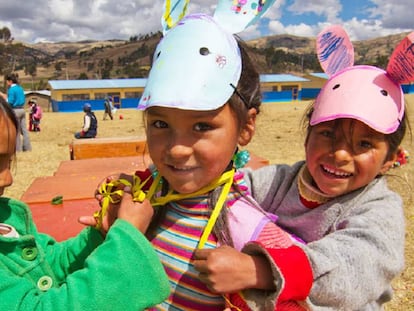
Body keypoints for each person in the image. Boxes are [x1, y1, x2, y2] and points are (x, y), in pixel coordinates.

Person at [92, 4, 306, 310]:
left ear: (246, 127)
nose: (177, 149)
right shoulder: (146, 196)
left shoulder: (243, 226)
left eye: (202, 125)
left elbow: (303, 281)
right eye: (161, 124)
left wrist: (257, 273)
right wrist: (113, 232)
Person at [193, 26, 413, 310]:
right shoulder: (284, 181)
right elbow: (232, 188)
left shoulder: (379, 207)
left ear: (389, 159)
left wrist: (257, 271)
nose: (341, 154)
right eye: (328, 134)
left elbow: (356, 264)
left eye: (364, 144)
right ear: (308, 135)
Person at [0, 95, 170, 310]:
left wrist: (99, 235)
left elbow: (50, 262)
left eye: (9, 162)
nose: (8, 178)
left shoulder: (6, 221)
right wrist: (127, 239)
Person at [0, 73, 32, 151]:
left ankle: (18, 149)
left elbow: (10, 102)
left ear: (10, 81)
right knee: (24, 130)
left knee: (16, 131)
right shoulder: (20, 88)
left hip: (15, 111)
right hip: (22, 110)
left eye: (7, 82)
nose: (7, 83)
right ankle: (27, 148)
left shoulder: (11, 89)